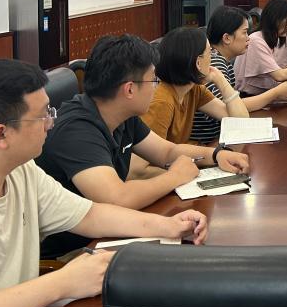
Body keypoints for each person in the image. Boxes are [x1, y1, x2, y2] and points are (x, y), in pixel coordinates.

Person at [0, 59, 208, 307]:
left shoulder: (21, 170)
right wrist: (63, 282)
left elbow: (89, 215)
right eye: (42, 116)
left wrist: (169, 226)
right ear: (1, 135)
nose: (51, 123)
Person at [37, 34, 250, 258]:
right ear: (129, 89)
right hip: (68, 254)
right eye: (153, 81)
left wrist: (216, 155)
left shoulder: (121, 114)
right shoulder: (77, 129)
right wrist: (174, 176)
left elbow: (166, 151)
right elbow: (116, 198)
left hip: (109, 234)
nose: (156, 88)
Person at [189, 6, 287, 142]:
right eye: (245, 33)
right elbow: (230, 108)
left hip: (222, 135)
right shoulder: (215, 63)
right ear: (227, 38)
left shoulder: (221, 60)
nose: (249, 38)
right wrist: (276, 93)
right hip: (209, 141)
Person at [140, 26, 249, 145]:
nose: (213, 56)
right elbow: (152, 153)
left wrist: (220, 79)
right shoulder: (162, 102)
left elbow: (240, 122)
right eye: (210, 52)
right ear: (198, 63)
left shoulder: (194, 89)